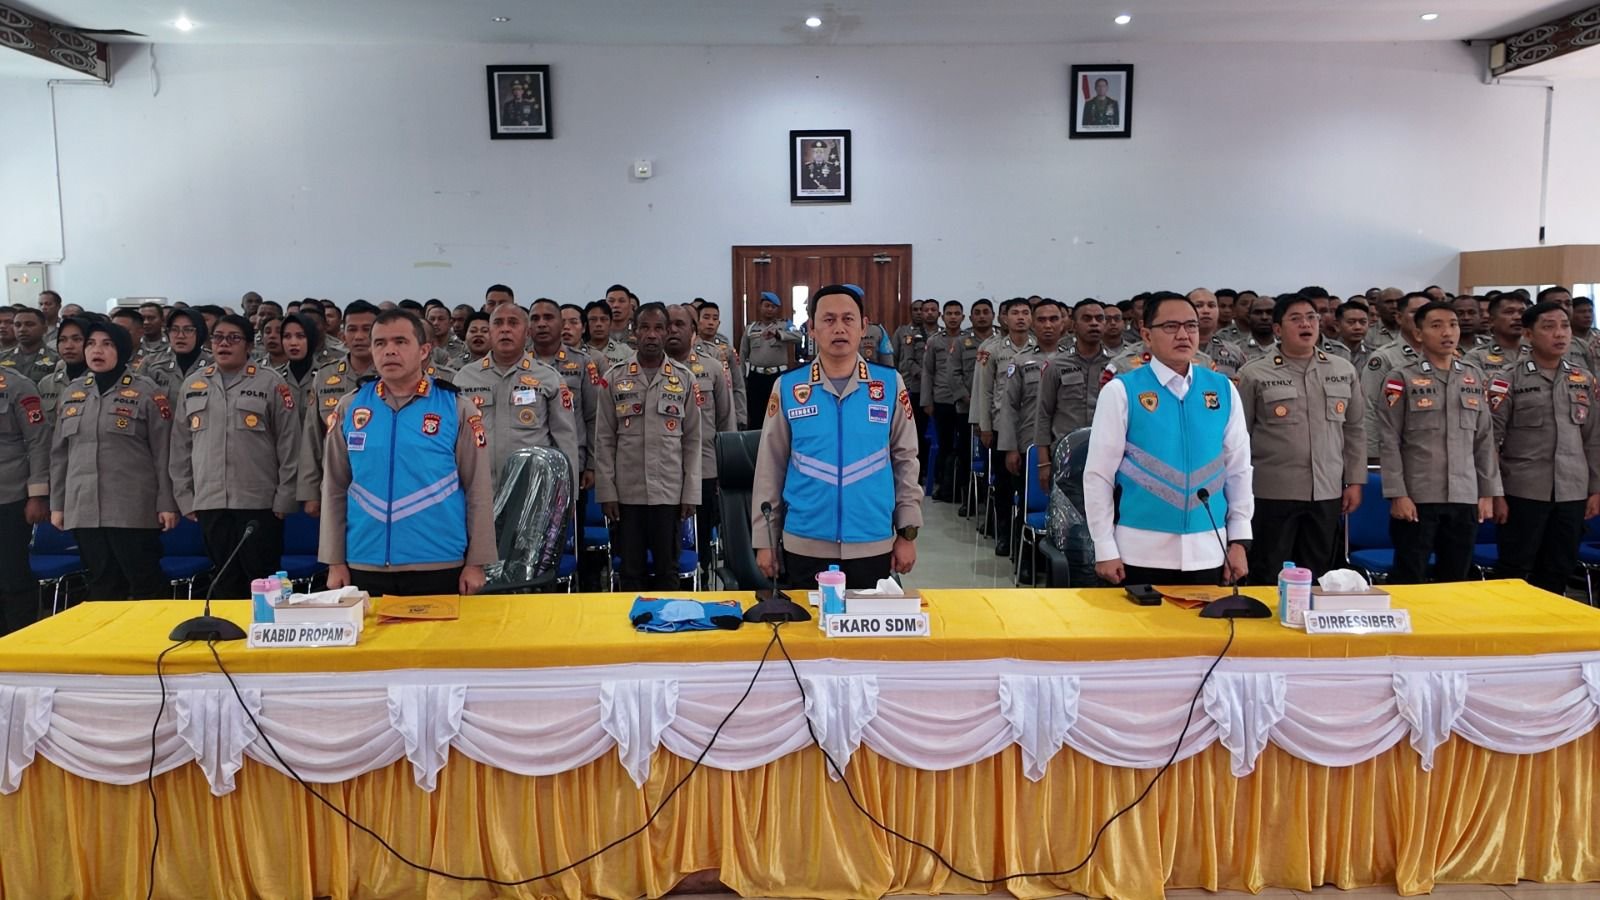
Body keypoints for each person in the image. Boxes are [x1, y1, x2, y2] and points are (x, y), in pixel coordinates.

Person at [752, 285, 921, 585]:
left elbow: (906, 460)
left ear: (863, 326)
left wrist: (907, 532)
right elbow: (770, 466)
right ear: (812, 329)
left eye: (848, 319)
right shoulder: (789, 388)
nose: (839, 328)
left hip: (872, 540)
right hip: (804, 541)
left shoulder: (888, 385)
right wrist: (765, 539)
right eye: (828, 320)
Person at [319, 310, 494, 597]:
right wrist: (334, 560)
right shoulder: (350, 407)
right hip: (364, 560)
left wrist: (477, 562)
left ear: (424, 350)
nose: (389, 350)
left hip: (438, 561)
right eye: (380, 343)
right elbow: (334, 487)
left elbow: (478, 488)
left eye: (400, 342)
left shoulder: (456, 407)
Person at [1084, 292, 1253, 586]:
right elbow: (1099, 475)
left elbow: (1238, 469)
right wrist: (1104, 546)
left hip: (1209, 547)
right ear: (1147, 335)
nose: (1183, 335)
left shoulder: (1222, 389)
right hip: (1139, 550)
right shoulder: (1122, 391)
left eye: (1191, 326)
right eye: (1171, 326)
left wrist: (1239, 540)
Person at [169, 315, 299, 600]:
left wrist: (285, 495)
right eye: (218, 338)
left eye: (233, 338)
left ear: (249, 345)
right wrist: (185, 496)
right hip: (210, 500)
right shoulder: (193, 384)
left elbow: (289, 443)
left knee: (263, 582)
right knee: (224, 582)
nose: (224, 344)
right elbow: (180, 447)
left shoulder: (271, 382)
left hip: (259, 503)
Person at [1236, 294, 1365, 580]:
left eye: (1311, 318)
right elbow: (1239, 436)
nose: (1306, 324)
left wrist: (1355, 481)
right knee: (1268, 571)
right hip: (1272, 492)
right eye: (1295, 319)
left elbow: (1355, 429)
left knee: (1318, 573)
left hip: (1327, 491)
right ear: (1278, 329)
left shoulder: (1342, 370)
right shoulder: (1254, 374)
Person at [50, 320, 178, 600]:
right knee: (101, 586)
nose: (97, 351)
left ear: (121, 350)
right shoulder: (73, 392)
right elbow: (60, 455)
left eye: (107, 344)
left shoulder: (147, 392)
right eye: (91, 344)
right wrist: (58, 504)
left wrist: (167, 503)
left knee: (145, 584)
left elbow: (164, 453)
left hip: (132, 508)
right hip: (84, 506)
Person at [1375, 301, 1500, 584]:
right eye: (1437, 325)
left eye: (1453, 325)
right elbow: (1389, 440)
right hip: (1418, 495)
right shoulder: (1401, 378)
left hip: (1465, 494)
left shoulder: (1473, 376)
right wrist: (1397, 494)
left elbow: (1483, 438)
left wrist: (1488, 492)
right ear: (1419, 334)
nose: (1448, 332)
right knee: (1411, 575)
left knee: (1456, 576)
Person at [1489, 302, 1600, 596]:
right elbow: (1490, 442)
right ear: (1528, 334)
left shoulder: (1584, 379)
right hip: (1523, 491)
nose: (1559, 334)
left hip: (1572, 491)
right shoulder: (1506, 379)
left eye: (1564, 326)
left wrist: (1596, 488)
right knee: (1514, 569)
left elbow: (1593, 439)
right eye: (1549, 327)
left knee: (1559, 567)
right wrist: (1495, 493)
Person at [594, 303, 701, 591]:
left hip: (669, 493)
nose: (651, 334)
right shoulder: (614, 378)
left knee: (668, 571)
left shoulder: (684, 378)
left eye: (658, 328)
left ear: (667, 332)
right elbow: (604, 439)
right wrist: (607, 491)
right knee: (630, 571)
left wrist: (690, 492)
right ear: (634, 331)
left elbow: (692, 441)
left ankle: (669, 620)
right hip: (627, 495)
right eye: (645, 327)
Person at [452, 302, 579, 486]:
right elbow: (453, 437)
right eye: (498, 323)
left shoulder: (548, 377)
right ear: (490, 331)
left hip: (532, 487)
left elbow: (565, 439)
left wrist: (567, 492)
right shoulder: (465, 378)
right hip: (477, 486)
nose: (505, 329)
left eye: (513, 323)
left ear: (527, 333)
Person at [994, 300, 1072, 556]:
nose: (1048, 325)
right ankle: (1026, 558)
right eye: (1042, 320)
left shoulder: (1073, 360)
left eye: (1054, 319)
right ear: (1033, 324)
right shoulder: (1020, 361)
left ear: (1064, 323)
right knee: (1028, 503)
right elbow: (1009, 407)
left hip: (1066, 444)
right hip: (1028, 445)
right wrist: (1009, 448)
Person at [667, 304, 735, 570]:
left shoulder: (713, 368)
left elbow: (726, 421)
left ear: (693, 331)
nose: (673, 330)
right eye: (668, 325)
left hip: (704, 467)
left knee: (702, 538)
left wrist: (725, 470)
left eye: (680, 324)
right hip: (663, 469)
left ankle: (703, 579)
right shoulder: (651, 369)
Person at [0, 363, 49, 633]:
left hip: (9, 494)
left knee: (12, 577)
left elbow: (39, 440)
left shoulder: (17, 385)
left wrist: (37, 494)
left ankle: (19, 638)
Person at [1360, 292, 1432, 459]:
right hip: (1396, 450)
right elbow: (1369, 407)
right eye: (1415, 312)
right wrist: (1372, 455)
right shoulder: (1385, 358)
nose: (1422, 318)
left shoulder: (1445, 357)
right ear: (1399, 318)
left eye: (1427, 313)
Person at [921, 300, 970, 503]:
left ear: (963, 317)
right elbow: (928, 371)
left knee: (965, 447)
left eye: (957, 313)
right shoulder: (934, 341)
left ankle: (962, 486)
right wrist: (927, 401)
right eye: (949, 313)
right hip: (942, 399)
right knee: (945, 445)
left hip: (965, 401)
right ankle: (944, 485)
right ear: (943, 317)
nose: (953, 317)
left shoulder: (969, 340)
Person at [277, 313, 325, 514]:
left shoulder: (326, 377)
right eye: (287, 336)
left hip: (319, 472)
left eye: (300, 336)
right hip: (281, 474)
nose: (293, 343)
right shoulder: (273, 378)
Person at [740, 291, 802, 426]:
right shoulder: (751, 328)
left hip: (778, 377)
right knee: (756, 416)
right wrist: (742, 378)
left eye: (773, 307)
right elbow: (743, 354)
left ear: (777, 309)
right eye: (767, 306)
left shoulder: (785, 325)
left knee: (779, 415)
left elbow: (799, 337)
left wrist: (779, 334)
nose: (769, 309)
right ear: (760, 307)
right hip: (756, 378)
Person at [695, 301, 747, 429]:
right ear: (697, 321)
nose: (711, 322)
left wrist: (741, 416)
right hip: (700, 412)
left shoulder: (727, 350)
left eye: (715, 318)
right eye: (706, 317)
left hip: (726, 410)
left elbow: (738, 386)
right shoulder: (690, 349)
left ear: (719, 323)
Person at [1465, 293, 1529, 375]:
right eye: (1509, 312)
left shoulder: (1537, 352)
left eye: (1522, 312)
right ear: (1491, 321)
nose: (1518, 317)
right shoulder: (1477, 356)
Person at [1191, 288, 1247, 379]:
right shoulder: (1176, 350)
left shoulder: (1234, 351)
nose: (1206, 311)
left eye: (1211, 306)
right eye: (1199, 305)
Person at [0, 308, 58, 384]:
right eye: (17, 325)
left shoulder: (56, 359)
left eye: (29, 324)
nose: (22, 329)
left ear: (45, 328)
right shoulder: (2, 358)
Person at [584, 300, 631, 366]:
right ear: (585, 324)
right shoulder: (576, 351)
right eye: (593, 319)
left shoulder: (625, 352)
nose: (598, 324)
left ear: (611, 323)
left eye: (603, 319)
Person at [1334, 300, 1373, 371]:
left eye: (1363, 322)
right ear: (1337, 325)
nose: (1358, 327)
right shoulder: (1327, 353)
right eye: (1351, 322)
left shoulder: (1374, 354)